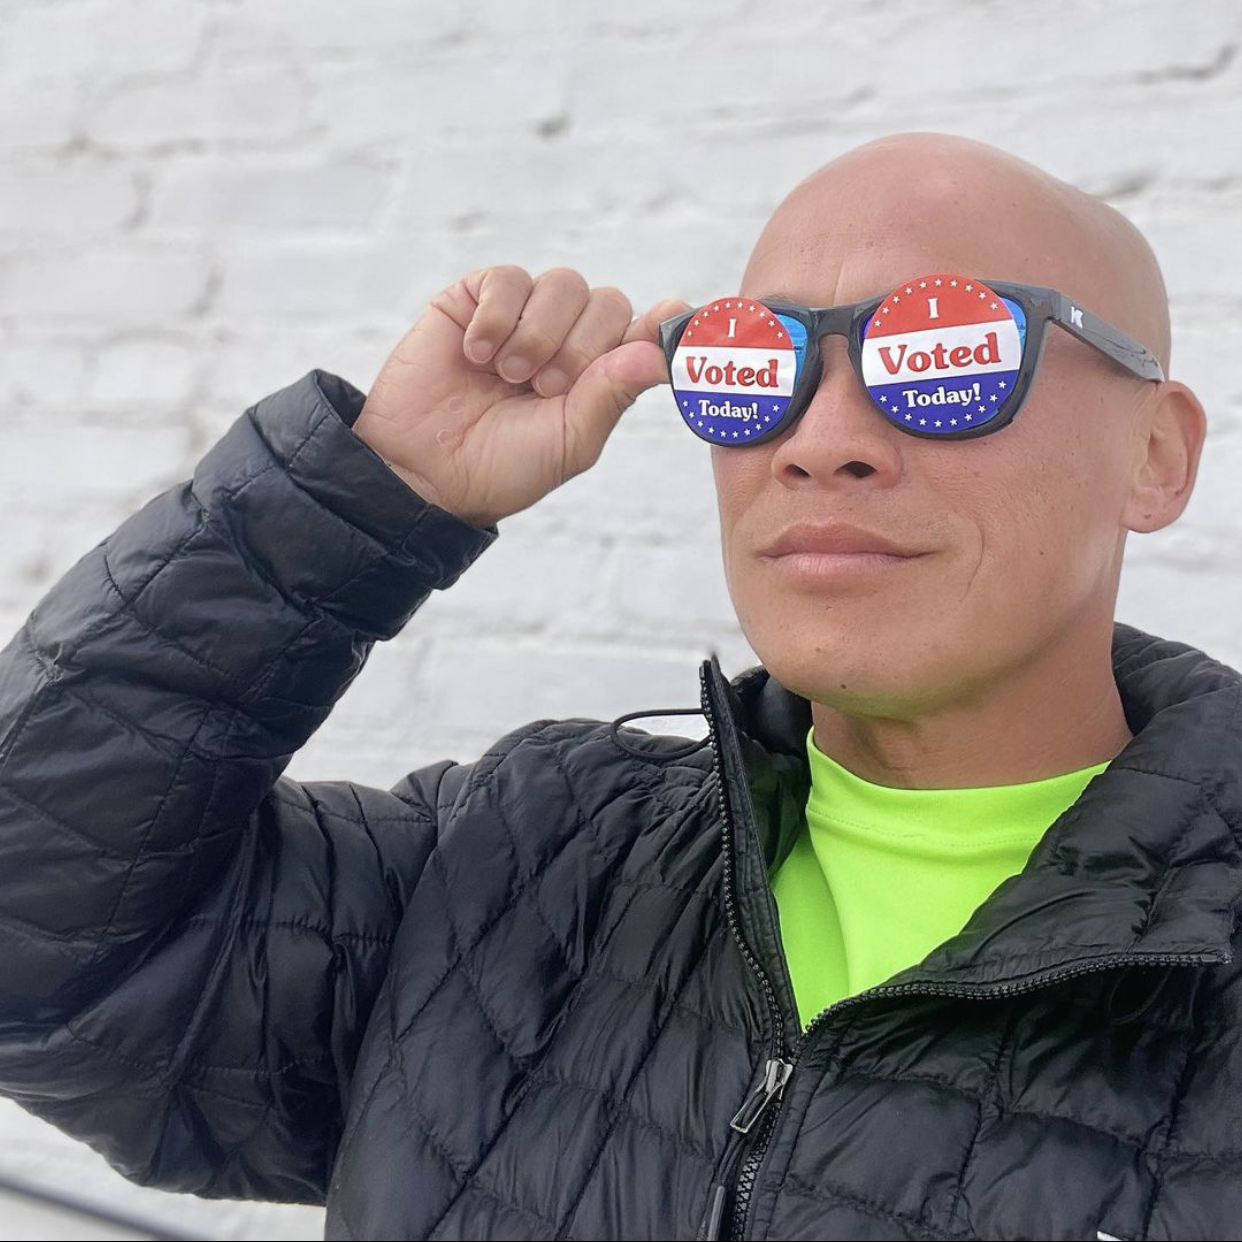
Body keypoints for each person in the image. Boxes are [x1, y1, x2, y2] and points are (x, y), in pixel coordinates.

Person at [0, 129, 1235, 1242]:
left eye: (941, 353)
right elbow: (35, 947)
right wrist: (371, 492)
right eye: (761, 362)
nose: (820, 437)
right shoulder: (526, 858)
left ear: (1156, 453)